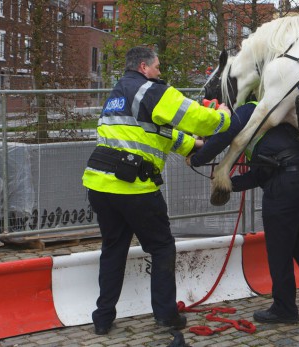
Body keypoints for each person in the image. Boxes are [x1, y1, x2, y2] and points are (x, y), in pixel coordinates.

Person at [82, 46, 231, 336]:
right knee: (162, 247)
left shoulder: (118, 94)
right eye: (158, 67)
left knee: (113, 250)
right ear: (143, 67)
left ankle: (102, 317)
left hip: (100, 186)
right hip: (134, 188)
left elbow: (153, 132)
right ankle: (165, 315)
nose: (160, 72)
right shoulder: (150, 89)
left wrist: (193, 146)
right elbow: (195, 117)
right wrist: (223, 117)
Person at [187, 101, 299, 324]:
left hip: (286, 185)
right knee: (296, 237)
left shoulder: (250, 109)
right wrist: (229, 183)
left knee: (279, 249)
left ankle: (284, 309)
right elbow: (262, 173)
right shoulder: (278, 114)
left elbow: (221, 138)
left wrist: (196, 159)